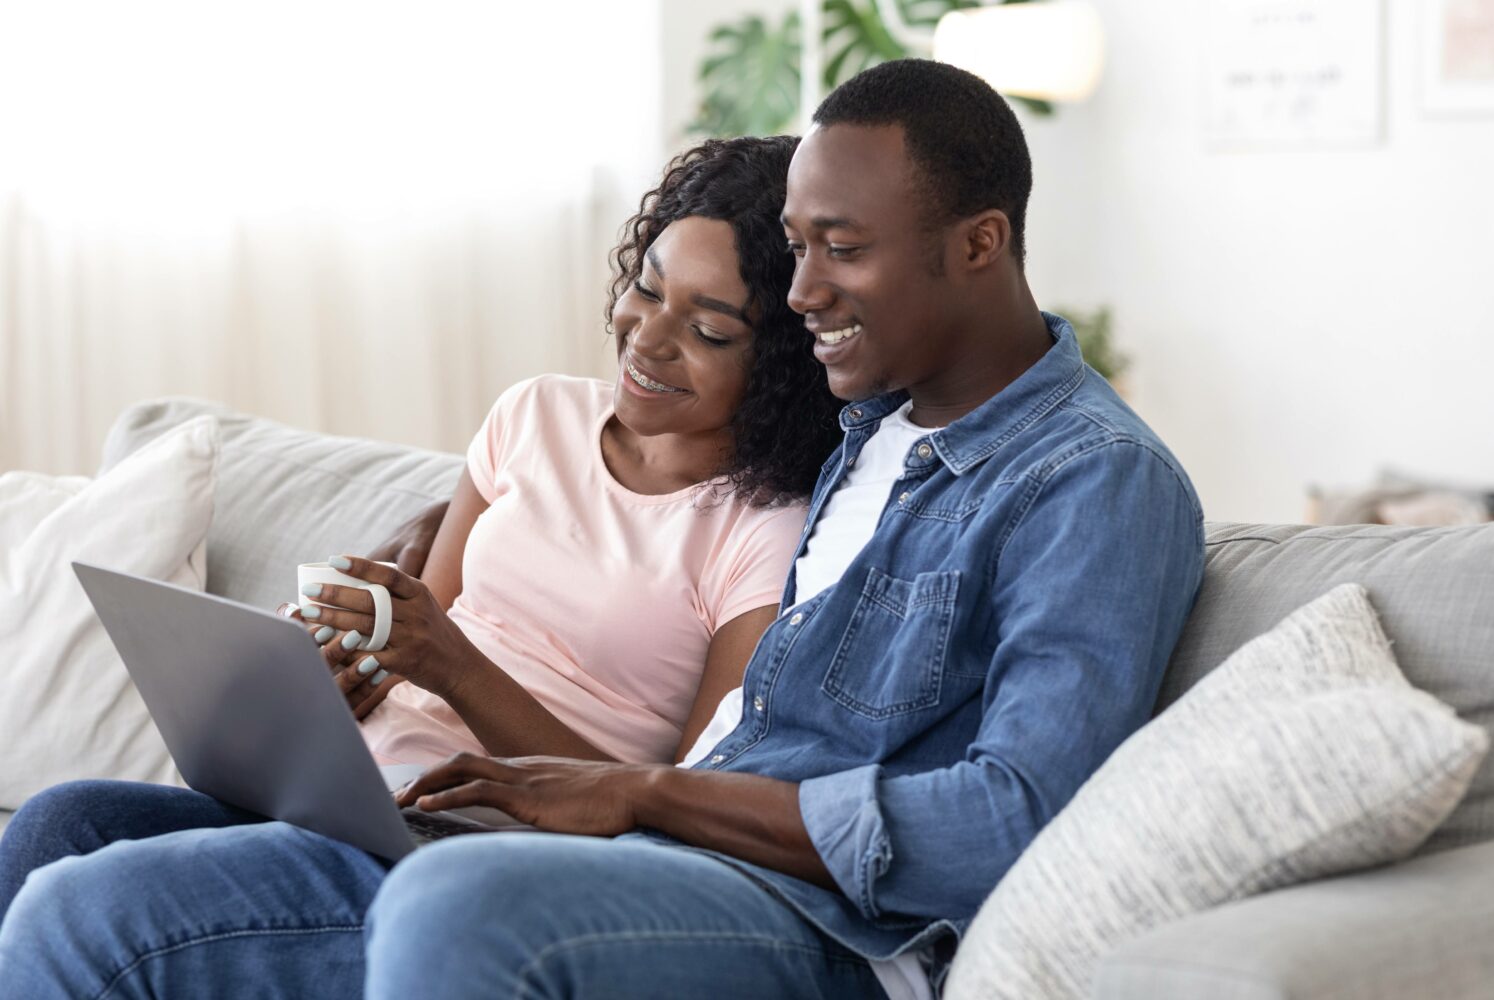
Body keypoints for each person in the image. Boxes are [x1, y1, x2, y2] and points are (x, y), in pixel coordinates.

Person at [0, 60, 1205, 1000]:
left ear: (981, 243)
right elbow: (635, 483)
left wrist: (645, 793)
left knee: (444, 901)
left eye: (842, 251)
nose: (800, 295)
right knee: (72, 849)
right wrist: (428, 551)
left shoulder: (1094, 483)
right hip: (663, 865)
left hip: (822, 925)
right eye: (796, 250)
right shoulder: (869, 427)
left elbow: (1015, 816)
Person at [0, 135, 841, 900]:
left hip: (473, 847)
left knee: (91, 897)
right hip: (351, 793)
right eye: (647, 290)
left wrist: (451, 664)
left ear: (777, 364)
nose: (647, 338)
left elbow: (683, 807)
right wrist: (332, 679)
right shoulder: (533, 415)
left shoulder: (763, 531)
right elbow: (408, 643)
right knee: (57, 821)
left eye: (705, 330)